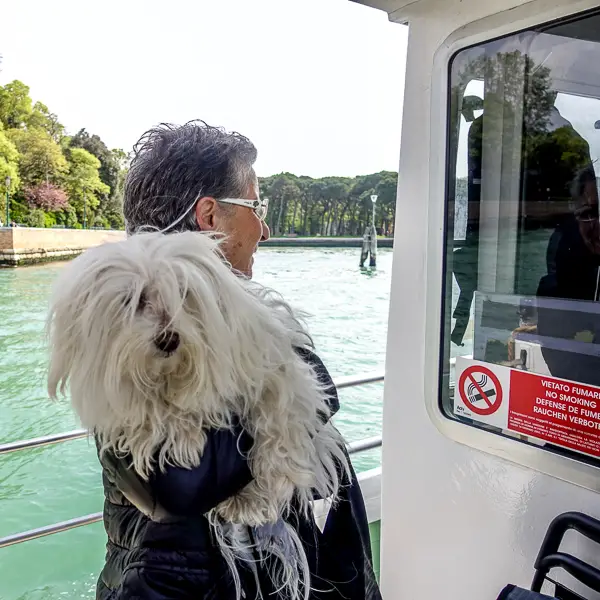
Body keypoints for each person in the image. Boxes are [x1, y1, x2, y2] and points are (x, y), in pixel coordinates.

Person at [96, 120, 381, 599]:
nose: (264, 229)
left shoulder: (225, 323)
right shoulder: (134, 338)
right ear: (209, 215)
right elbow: (185, 483)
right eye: (257, 206)